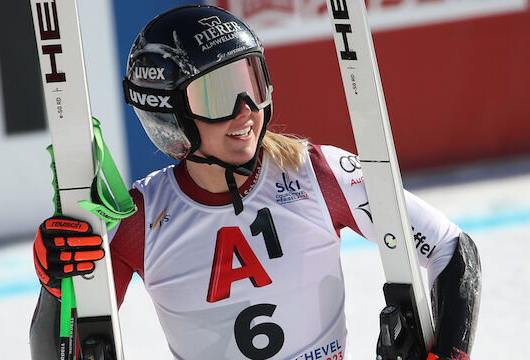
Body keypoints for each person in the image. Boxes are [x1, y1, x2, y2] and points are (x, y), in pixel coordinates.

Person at [30, 5, 481, 360]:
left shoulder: (318, 173)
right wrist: (56, 287)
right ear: (170, 114)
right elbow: (69, 341)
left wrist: (449, 355)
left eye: (252, 82)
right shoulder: (140, 221)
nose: (246, 110)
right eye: (220, 95)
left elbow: (452, 250)